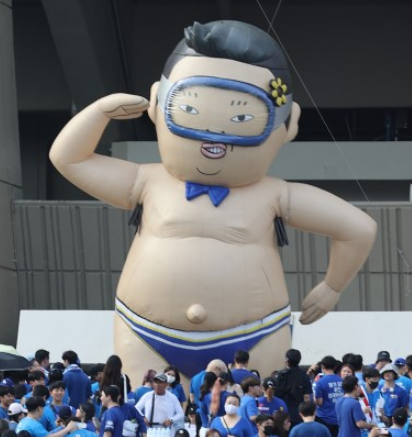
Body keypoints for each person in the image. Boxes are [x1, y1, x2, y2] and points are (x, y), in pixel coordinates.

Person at [49, 19, 376, 383]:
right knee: (153, 409)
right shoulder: (147, 180)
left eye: (244, 118)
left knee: (252, 410)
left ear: (289, 124)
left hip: (257, 334)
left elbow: (358, 228)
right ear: (157, 103)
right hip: (146, 332)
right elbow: (69, 159)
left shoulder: (274, 194)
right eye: (189, 111)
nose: (213, 136)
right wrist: (99, 113)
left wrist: (332, 286)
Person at [275, 349, 313, 427]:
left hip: (282, 412)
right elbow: (307, 397)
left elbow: (275, 394)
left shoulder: (280, 375)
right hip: (298, 413)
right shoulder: (304, 376)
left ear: (287, 360)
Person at [314, 356, 343, 437]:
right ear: (335, 367)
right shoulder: (342, 381)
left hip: (324, 418)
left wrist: (314, 399)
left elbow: (319, 402)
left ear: (322, 366)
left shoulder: (320, 382)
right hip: (339, 418)